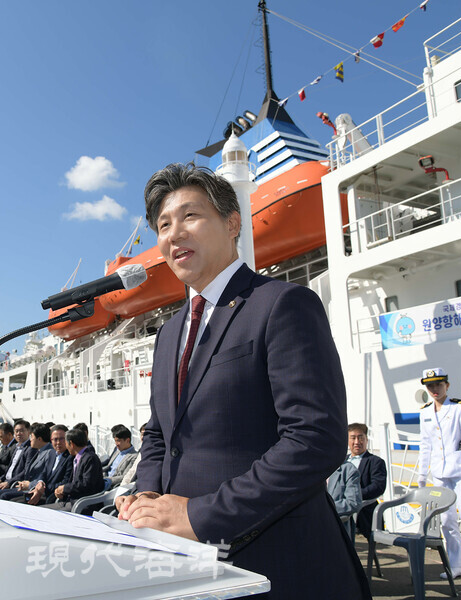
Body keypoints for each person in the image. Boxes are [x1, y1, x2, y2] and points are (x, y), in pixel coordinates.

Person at [116, 163, 369, 600]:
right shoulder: (168, 334)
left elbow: (315, 439)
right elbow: (159, 435)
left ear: (232, 224)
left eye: (189, 216)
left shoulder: (282, 304)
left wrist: (202, 514)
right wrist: (147, 497)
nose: (174, 233)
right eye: (163, 224)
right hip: (185, 565)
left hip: (277, 563)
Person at [417, 367, 461, 585]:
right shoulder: (426, 412)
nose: (434, 389)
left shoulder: (459, 408)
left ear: (446, 385)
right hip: (439, 474)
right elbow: (426, 444)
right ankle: (457, 566)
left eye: (438, 385)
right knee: (447, 521)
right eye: (430, 386)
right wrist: (422, 473)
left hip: (460, 472)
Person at [46, 427, 104, 512]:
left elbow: (86, 484)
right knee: (40, 510)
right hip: (71, 501)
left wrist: (65, 488)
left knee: (45, 512)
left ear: (71, 444)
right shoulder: (77, 458)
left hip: (83, 504)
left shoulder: (90, 458)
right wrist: (63, 492)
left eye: (66, 443)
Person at [347, 423, 387, 540]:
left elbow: (378, 487)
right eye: (353, 438)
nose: (357, 442)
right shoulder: (342, 461)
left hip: (363, 510)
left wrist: (355, 496)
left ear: (366, 440)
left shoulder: (375, 461)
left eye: (360, 438)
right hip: (342, 507)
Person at [328, 461, 363, 538]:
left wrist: (324, 508)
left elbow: (353, 502)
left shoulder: (348, 469)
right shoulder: (308, 468)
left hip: (334, 528)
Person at [102, 424, 138, 490]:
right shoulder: (117, 450)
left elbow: (125, 476)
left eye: (118, 441)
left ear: (127, 440)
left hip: (113, 486)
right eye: (115, 441)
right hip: (103, 480)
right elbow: (108, 467)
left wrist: (108, 480)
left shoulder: (134, 456)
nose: (116, 444)